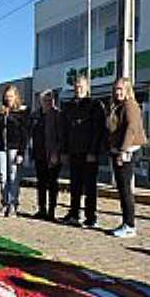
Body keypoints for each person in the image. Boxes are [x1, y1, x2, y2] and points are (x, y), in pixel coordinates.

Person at [59, 75, 105, 228]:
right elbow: (64, 130)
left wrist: (93, 151)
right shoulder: (69, 106)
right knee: (75, 186)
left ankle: (90, 217)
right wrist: (64, 151)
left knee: (90, 187)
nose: (78, 89)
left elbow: (98, 130)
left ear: (87, 87)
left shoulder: (95, 105)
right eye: (76, 86)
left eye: (81, 86)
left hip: (89, 153)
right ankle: (74, 214)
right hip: (74, 152)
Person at [106, 77, 147, 238]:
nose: (118, 92)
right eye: (116, 89)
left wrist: (123, 151)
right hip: (118, 150)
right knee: (122, 188)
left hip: (128, 150)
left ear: (128, 90)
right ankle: (126, 222)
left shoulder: (130, 105)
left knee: (125, 189)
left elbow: (131, 128)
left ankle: (130, 225)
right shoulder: (117, 106)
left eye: (121, 89)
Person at [0, 85, 29, 217]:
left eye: (11, 96)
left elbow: (24, 133)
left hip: (15, 147)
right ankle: (4, 202)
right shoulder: (0, 111)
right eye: (6, 96)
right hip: (1, 148)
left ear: (16, 96)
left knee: (13, 177)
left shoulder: (21, 112)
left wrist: (21, 152)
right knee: (3, 176)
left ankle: (13, 204)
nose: (8, 98)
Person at [30, 90, 62, 221]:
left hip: (52, 155)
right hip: (39, 154)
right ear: (40, 101)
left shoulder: (58, 114)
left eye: (51, 99)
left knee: (52, 183)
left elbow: (61, 136)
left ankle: (51, 211)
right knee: (41, 183)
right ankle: (41, 209)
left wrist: (56, 153)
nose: (48, 102)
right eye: (45, 100)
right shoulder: (35, 115)